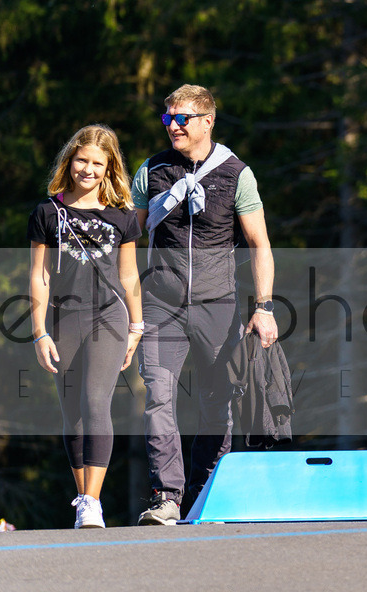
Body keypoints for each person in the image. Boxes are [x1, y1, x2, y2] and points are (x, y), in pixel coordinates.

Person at [132, 84, 278, 525]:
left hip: (219, 304)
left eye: (183, 118)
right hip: (161, 304)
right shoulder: (151, 171)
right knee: (159, 397)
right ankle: (167, 496)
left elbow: (259, 244)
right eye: (168, 118)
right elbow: (128, 238)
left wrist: (264, 306)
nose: (173, 126)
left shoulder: (236, 173)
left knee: (217, 403)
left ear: (207, 121)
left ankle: (204, 492)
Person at [28, 124, 144, 529]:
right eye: (82, 160)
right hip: (63, 317)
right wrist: (39, 330)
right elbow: (39, 276)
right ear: (69, 160)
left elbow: (129, 277)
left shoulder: (123, 217)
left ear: (110, 167)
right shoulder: (48, 213)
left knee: (96, 403)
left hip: (109, 316)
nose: (88, 170)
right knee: (72, 413)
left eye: (98, 163)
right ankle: (82, 498)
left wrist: (137, 327)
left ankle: (94, 500)